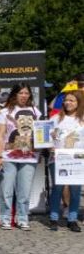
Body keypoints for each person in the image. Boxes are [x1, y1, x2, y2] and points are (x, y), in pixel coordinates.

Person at [0, 83, 42, 231]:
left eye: (26, 93)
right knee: (6, 189)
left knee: (25, 190)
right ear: (15, 94)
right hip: (8, 156)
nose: (24, 96)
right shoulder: (5, 111)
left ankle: (22, 218)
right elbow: (1, 135)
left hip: (29, 156)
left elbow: (40, 134)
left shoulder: (36, 111)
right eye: (21, 93)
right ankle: (5, 218)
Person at [48, 89, 83, 231]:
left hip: (77, 160)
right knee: (57, 188)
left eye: (72, 100)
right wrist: (49, 146)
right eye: (66, 100)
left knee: (75, 190)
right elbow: (46, 137)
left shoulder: (82, 120)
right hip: (57, 159)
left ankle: (72, 219)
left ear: (79, 103)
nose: (67, 103)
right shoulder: (55, 119)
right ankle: (54, 218)